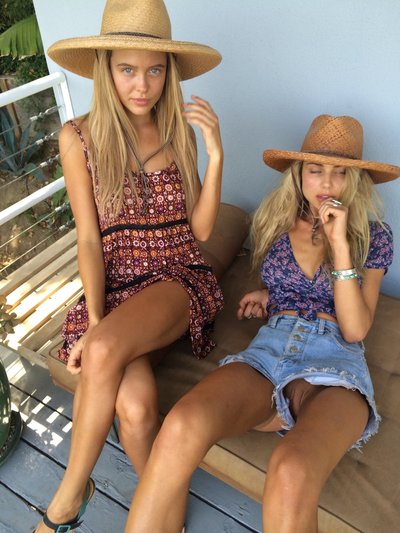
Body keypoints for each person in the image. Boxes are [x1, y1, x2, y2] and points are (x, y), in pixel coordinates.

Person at [126, 114, 400, 533]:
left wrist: (340, 245)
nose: (327, 183)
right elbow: (290, 285)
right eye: (315, 169)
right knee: (182, 423)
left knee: (291, 469)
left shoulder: (373, 235)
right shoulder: (275, 222)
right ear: (298, 174)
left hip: (336, 362)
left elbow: (355, 329)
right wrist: (269, 297)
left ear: (357, 180)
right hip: (271, 350)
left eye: (341, 172)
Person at [34, 0, 223, 531]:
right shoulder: (78, 138)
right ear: (106, 69)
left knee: (103, 350)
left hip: (176, 278)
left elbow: (202, 231)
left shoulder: (178, 133)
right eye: (127, 69)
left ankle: (65, 501)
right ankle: (166, 515)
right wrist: (97, 320)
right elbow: (89, 240)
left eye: (155, 70)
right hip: (118, 290)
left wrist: (216, 153)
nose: (143, 85)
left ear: (169, 73)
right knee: (135, 407)